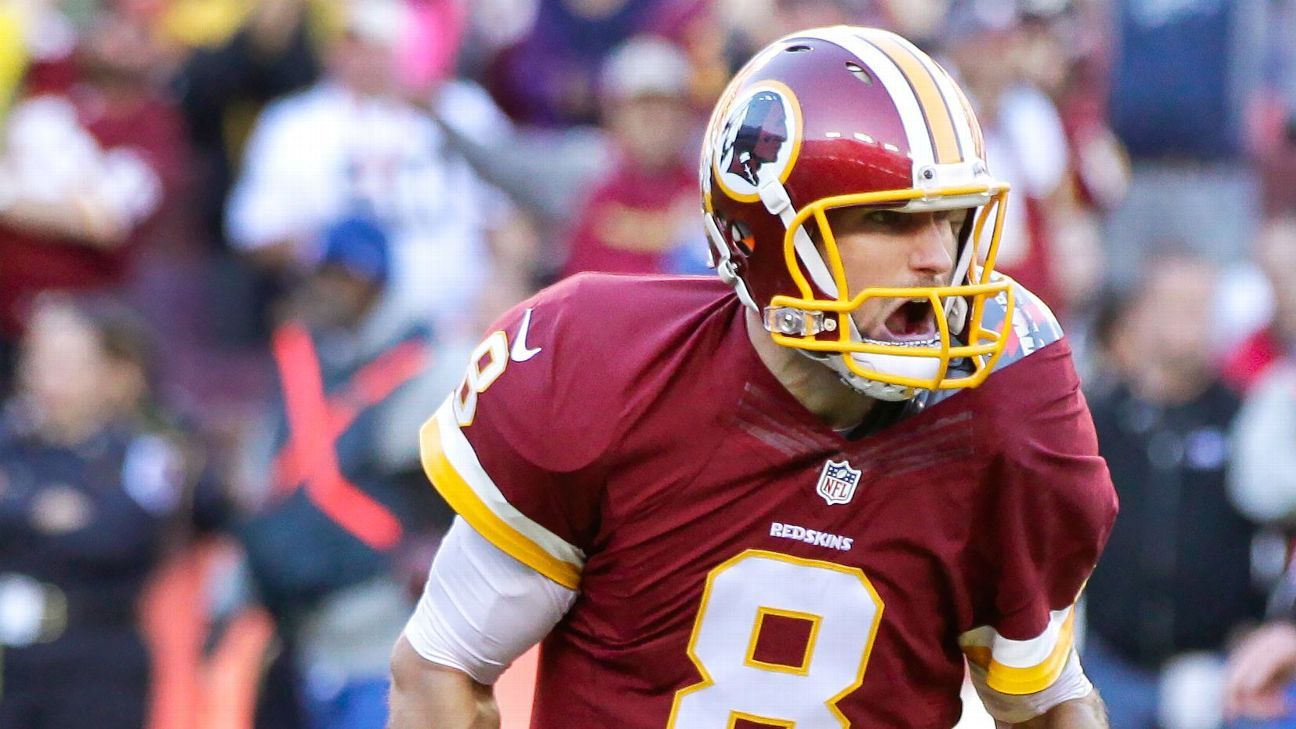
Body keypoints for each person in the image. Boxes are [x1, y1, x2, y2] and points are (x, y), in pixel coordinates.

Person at [390, 26, 1118, 728]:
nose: (938, 258)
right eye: (893, 219)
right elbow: (441, 667)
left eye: (952, 218)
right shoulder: (603, 366)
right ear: (768, 237)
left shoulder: (1007, 398)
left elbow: (1048, 702)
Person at [0, 296, 221, 729]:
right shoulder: (12, 440)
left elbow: (116, 538)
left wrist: (16, 505)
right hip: (11, 659)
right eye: (40, 363)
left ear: (107, 373)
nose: (49, 380)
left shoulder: (144, 452)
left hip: (96, 661)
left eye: (67, 365)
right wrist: (47, 512)